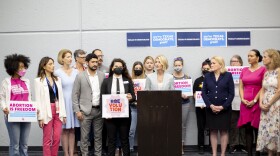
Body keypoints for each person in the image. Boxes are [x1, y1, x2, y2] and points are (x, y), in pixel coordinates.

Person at [101, 58, 136, 156]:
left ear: (123, 68)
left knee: (124, 139)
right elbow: (102, 98)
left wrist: (131, 97)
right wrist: (105, 114)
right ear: (112, 68)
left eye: (120, 66)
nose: (118, 68)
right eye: (116, 66)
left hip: (124, 115)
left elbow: (133, 97)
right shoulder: (106, 81)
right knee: (111, 140)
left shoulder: (128, 81)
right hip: (110, 116)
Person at [72, 53, 105, 156]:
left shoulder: (102, 75)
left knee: (98, 136)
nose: (95, 64)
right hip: (85, 111)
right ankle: (85, 154)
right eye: (93, 62)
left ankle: (98, 154)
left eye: (96, 62)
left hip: (99, 111)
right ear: (87, 63)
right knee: (84, 137)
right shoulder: (80, 76)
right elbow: (75, 94)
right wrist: (77, 111)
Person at [201, 56, 234, 156]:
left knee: (224, 131)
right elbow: (203, 93)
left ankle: (223, 154)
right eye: (211, 63)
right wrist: (210, 105)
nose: (211, 65)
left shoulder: (228, 75)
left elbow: (231, 93)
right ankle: (214, 154)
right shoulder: (207, 76)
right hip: (211, 109)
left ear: (220, 64)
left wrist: (223, 107)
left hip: (224, 109)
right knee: (213, 131)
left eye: (214, 63)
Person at [0, 54, 31, 156]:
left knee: (24, 144)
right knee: (15, 144)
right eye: (21, 67)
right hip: (12, 115)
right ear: (13, 68)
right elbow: (2, 97)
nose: (23, 69)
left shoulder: (26, 81)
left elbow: (29, 98)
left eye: (24, 67)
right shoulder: (6, 82)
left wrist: (34, 109)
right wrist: (4, 108)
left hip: (26, 115)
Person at [35, 56, 67, 156]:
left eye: (53, 63)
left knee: (57, 138)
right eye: (50, 64)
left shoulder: (57, 79)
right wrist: (40, 117)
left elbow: (61, 97)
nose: (53, 66)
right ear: (44, 66)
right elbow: (38, 99)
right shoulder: (38, 80)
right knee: (47, 139)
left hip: (58, 110)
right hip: (46, 111)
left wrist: (64, 114)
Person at [237, 49, 266, 156]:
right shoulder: (244, 70)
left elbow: (263, 87)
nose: (249, 58)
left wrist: (255, 100)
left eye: (251, 56)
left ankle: (257, 153)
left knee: (257, 128)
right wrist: (242, 99)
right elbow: (240, 87)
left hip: (257, 101)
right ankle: (249, 154)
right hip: (245, 103)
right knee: (247, 129)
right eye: (248, 56)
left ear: (258, 58)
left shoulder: (263, 70)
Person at [55, 49, 79, 156]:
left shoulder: (76, 71)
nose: (70, 59)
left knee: (73, 129)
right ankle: (66, 153)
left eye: (71, 57)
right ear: (62, 59)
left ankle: (71, 152)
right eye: (68, 57)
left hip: (74, 102)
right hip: (63, 103)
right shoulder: (57, 72)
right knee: (64, 130)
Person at [257, 49, 280, 155]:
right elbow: (263, 89)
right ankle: (270, 153)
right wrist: (261, 103)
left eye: (265, 56)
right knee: (267, 131)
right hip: (265, 106)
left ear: (272, 58)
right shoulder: (266, 73)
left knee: (275, 130)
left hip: (275, 105)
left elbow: (279, 90)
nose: (263, 58)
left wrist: (269, 103)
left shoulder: (279, 71)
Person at [172, 57, 191, 155]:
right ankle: (172, 146)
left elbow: (191, 92)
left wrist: (188, 94)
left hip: (185, 103)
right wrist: (178, 94)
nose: (177, 67)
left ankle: (181, 147)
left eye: (179, 65)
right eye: (175, 65)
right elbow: (169, 91)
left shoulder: (187, 78)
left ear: (182, 65)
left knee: (182, 126)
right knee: (172, 125)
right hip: (172, 104)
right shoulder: (170, 77)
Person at [228, 55, 247, 154]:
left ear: (240, 63)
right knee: (233, 125)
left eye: (235, 61)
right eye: (231, 61)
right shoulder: (227, 73)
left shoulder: (245, 72)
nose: (233, 63)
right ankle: (233, 144)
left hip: (244, 100)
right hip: (231, 102)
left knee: (244, 124)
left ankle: (244, 144)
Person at [193, 58, 211, 154]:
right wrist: (200, 103)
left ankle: (212, 146)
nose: (206, 70)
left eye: (208, 68)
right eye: (204, 68)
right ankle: (201, 146)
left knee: (212, 128)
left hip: (211, 108)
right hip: (200, 108)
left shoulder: (213, 80)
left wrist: (208, 104)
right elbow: (195, 93)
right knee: (200, 128)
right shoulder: (197, 80)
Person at [129, 61, 146, 153]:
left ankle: (144, 148)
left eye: (140, 68)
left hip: (144, 108)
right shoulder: (130, 80)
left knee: (144, 130)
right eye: (136, 68)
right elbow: (127, 94)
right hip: (133, 107)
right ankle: (130, 148)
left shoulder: (147, 80)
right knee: (132, 130)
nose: (138, 70)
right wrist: (133, 101)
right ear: (133, 69)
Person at [72, 49, 86, 155]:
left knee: (85, 128)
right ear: (76, 58)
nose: (84, 58)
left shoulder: (87, 69)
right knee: (75, 127)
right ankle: (74, 149)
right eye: (82, 57)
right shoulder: (72, 70)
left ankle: (83, 150)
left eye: (85, 56)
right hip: (76, 101)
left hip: (86, 101)